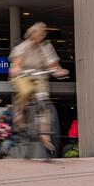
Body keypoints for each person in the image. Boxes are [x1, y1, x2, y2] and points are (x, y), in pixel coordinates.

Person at [9, 22, 69, 150]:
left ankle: (45, 134)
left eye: (43, 33)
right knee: (27, 91)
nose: (41, 36)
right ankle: (20, 114)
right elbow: (17, 63)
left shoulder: (47, 47)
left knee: (44, 99)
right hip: (23, 76)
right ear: (32, 34)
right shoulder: (22, 47)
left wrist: (59, 70)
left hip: (40, 76)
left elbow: (53, 64)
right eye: (39, 33)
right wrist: (17, 69)